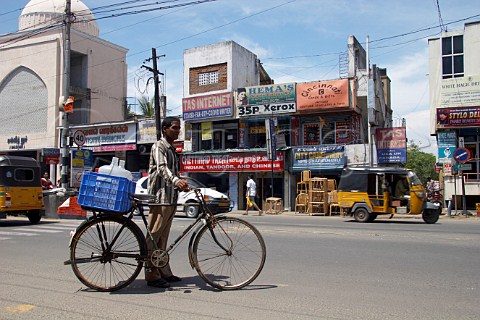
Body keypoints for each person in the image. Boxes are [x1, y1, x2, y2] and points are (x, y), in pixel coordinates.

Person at [145, 116, 189, 288]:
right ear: (165, 129)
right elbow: (162, 168)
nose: (177, 131)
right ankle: (152, 275)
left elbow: (171, 171)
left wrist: (182, 182)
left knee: (163, 239)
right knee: (154, 237)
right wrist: (176, 181)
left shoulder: (171, 148)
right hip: (160, 197)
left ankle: (164, 271)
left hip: (170, 198)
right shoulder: (159, 146)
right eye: (174, 127)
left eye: (179, 128)